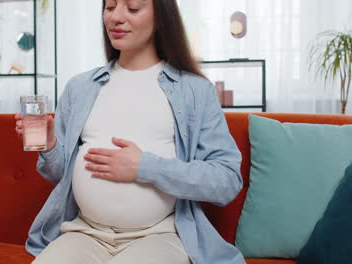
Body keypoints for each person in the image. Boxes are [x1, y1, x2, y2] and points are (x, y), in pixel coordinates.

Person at [15, 0, 245, 263]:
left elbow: (226, 181)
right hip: (84, 232)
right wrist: (49, 145)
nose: (116, 17)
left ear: (160, 18)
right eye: (110, 7)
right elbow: (58, 175)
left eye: (133, 8)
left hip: (159, 235)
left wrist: (145, 167)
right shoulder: (80, 88)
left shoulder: (195, 91)